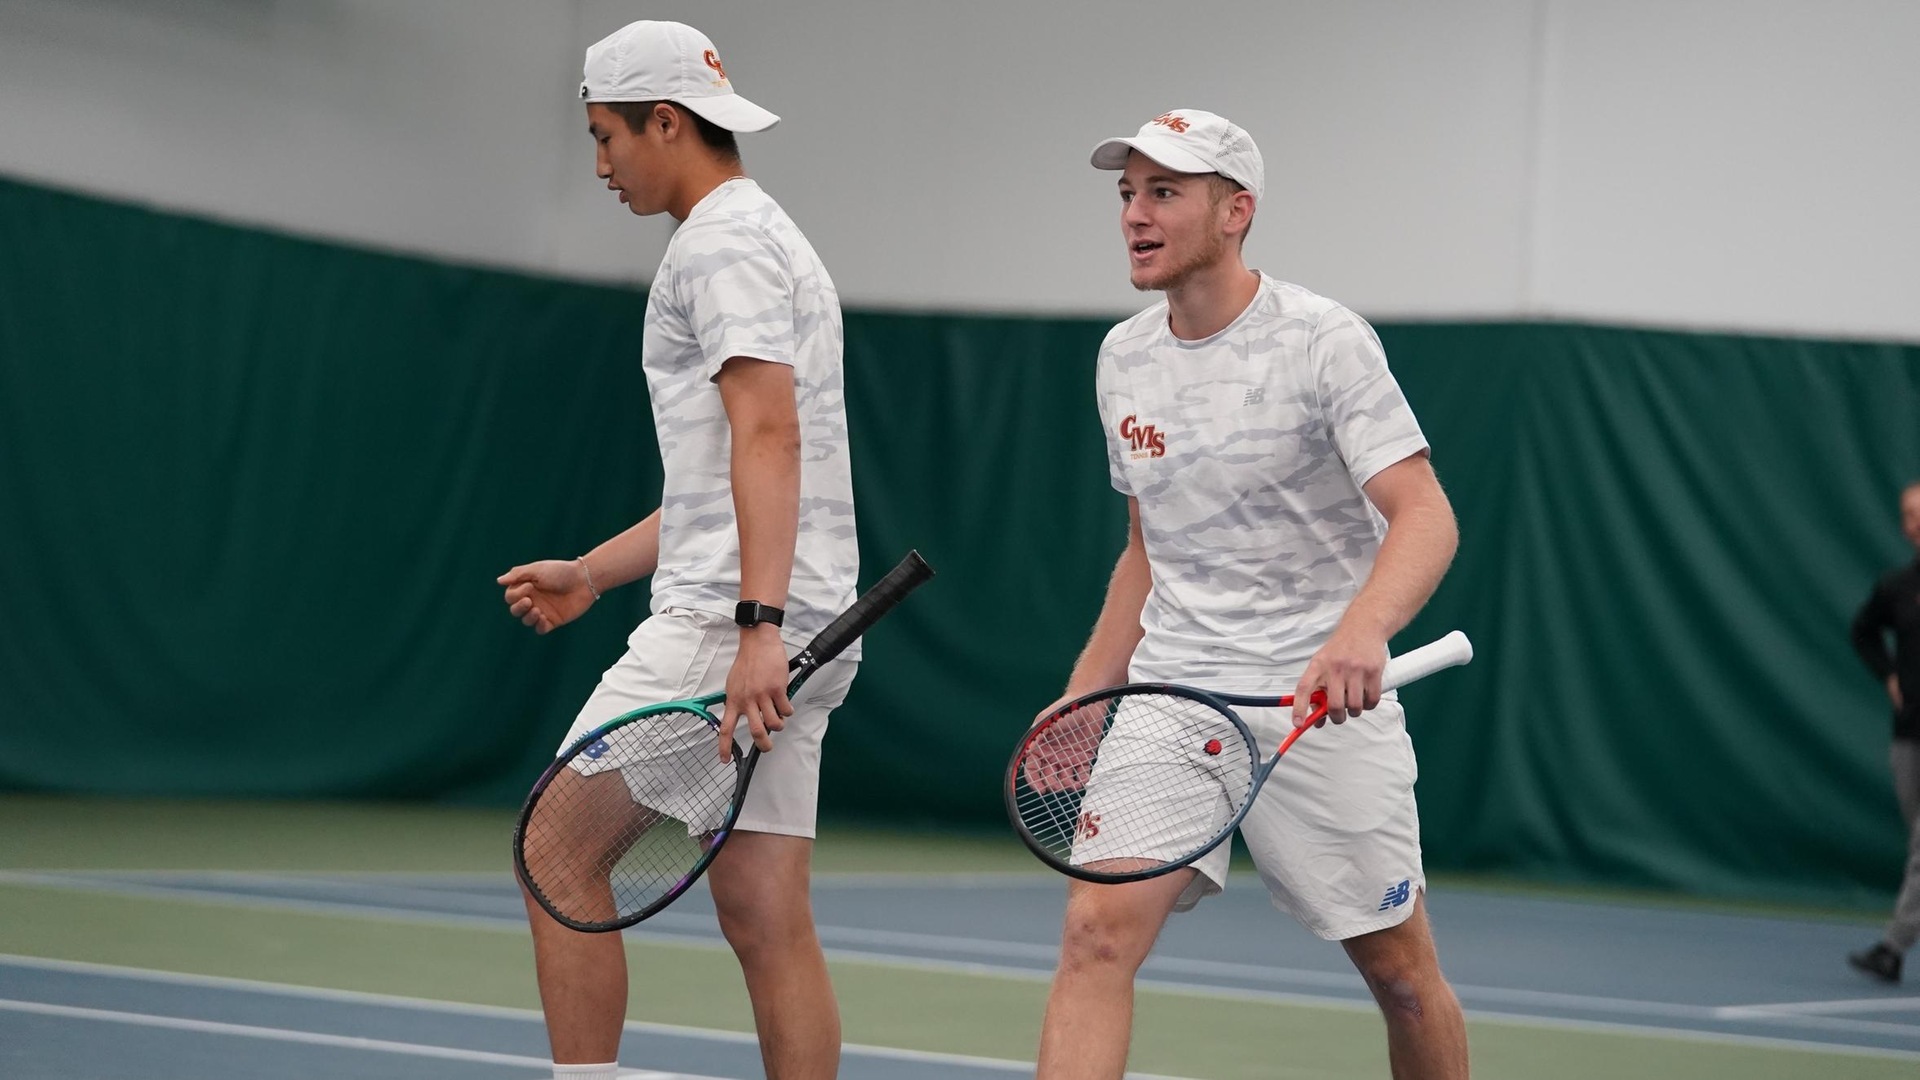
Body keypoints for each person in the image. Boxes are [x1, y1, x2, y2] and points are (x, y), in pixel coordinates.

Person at [1031, 110, 1468, 1079]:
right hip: (1172, 697)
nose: (1135, 215)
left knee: (1400, 976)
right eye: (1127, 194)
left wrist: (1360, 634)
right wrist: (1088, 692)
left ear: (1237, 212)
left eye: (1164, 193)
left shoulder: (1324, 341)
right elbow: (1149, 546)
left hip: (1320, 703)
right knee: (1095, 936)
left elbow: (1425, 515)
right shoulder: (1124, 357)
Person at [496, 20, 859, 1080]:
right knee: (760, 908)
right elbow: (731, 478)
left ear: (668, 121)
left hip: (734, 626)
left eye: (608, 138)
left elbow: (768, 437)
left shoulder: (722, 245)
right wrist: (596, 572)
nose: (602, 164)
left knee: (555, 855)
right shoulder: (766, 235)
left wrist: (757, 627)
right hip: (804, 620)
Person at [1846, 480, 1920, 984]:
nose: (1916, 522)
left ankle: (1893, 948)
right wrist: (1889, 676)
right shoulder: (1896, 586)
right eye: (1909, 515)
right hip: (1909, 735)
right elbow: (1863, 632)